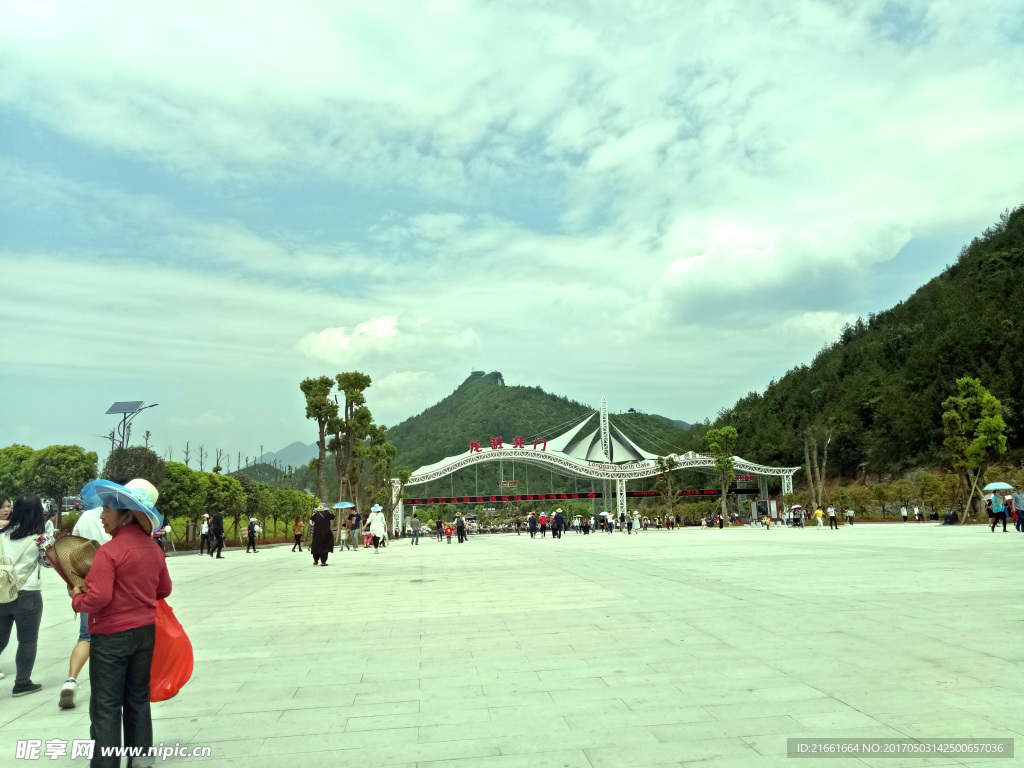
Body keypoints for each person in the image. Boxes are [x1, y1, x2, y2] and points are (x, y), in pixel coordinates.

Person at [70, 480, 171, 767]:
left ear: (125, 514)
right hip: (144, 632)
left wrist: (78, 600)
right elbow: (164, 589)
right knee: (137, 699)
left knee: (106, 705)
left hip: (111, 636)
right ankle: (141, 761)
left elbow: (98, 598)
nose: (101, 515)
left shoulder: (109, 552)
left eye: (107, 510)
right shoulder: (153, 549)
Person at [0, 495, 51, 696]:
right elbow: (47, 562)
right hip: (28, 594)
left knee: (1, 639)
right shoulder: (40, 538)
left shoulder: (1, 534)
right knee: (27, 641)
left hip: (3, 592)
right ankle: (22, 683)